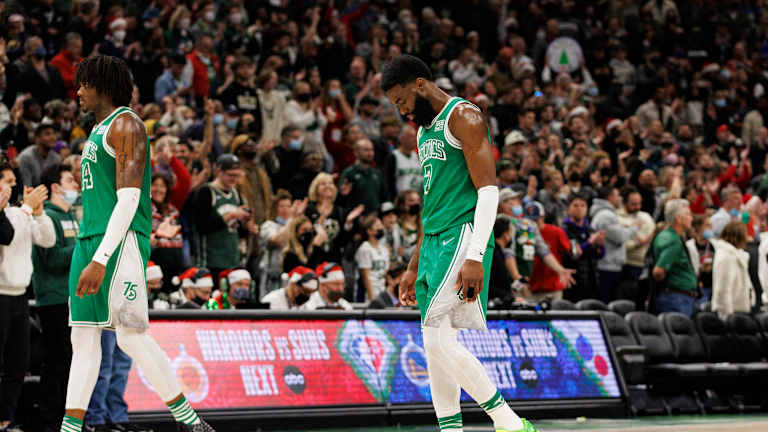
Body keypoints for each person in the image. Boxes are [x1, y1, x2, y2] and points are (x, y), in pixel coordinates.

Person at [382, 55, 539, 432]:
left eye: (402, 100)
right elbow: (432, 202)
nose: (402, 110)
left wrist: (476, 256)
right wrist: (414, 263)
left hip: (462, 235)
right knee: (434, 345)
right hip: (434, 241)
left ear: (420, 84)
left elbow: (488, 191)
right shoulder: (423, 132)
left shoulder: (464, 117)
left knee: (437, 343)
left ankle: (510, 423)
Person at [62, 55, 214, 432]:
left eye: (85, 84)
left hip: (120, 242)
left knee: (131, 336)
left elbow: (129, 199)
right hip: (89, 238)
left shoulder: (126, 123)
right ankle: (70, 428)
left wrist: (101, 259)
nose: (78, 91)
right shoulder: (97, 129)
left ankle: (190, 422)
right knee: (83, 338)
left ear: (104, 86)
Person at [0, 165, 55, 432]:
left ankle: (5, 419)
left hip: (20, 296)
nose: (12, 186)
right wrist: (27, 208)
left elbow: (48, 239)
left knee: (18, 363)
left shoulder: (21, 212)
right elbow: (8, 237)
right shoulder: (10, 214)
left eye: (14, 181)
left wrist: (40, 213)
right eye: (6, 181)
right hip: (0, 295)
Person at [33, 163, 80, 431]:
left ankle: (67, 419)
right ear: (55, 187)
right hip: (53, 298)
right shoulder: (48, 216)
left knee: (70, 362)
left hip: (72, 297)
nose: (76, 186)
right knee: (57, 361)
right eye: (70, 181)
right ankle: (50, 421)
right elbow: (52, 260)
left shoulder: (71, 216)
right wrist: (83, 245)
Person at [188, 154, 250, 281]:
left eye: (236, 175)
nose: (234, 179)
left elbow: (237, 229)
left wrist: (247, 225)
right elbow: (201, 227)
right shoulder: (205, 192)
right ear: (219, 171)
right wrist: (231, 215)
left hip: (232, 260)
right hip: (210, 261)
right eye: (230, 175)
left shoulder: (235, 194)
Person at [590, 186, 640, 303]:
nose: (620, 199)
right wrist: (635, 227)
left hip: (610, 264)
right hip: (607, 266)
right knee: (606, 302)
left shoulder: (607, 213)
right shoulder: (605, 215)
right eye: (618, 195)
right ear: (610, 197)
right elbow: (620, 237)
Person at [651, 199, 697, 317]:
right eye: (688, 214)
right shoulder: (673, 241)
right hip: (676, 298)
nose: (691, 218)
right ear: (678, 218)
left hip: (674, 296)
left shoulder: (665, 235)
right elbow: (658, 271)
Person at [561, 194, 604, 302]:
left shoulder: (590, 229)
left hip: (592, 279)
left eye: (583, 205)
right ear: (569, 209)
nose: (579, 208)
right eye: (575, 205)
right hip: (573, 279)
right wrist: (589, 242)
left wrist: (600, 246)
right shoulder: (564, 230)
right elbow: (572, 255)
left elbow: (600, 255)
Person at [527, 202, 572, 302]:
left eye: (536, 220)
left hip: (552, 286)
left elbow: (570, 253)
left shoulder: (556, 232)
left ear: (543, 217)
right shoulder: (523, 232)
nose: (533, 224)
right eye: (530, 221)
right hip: (530, 287)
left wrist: (562, 270)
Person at [618, 186, 655, 302]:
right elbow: (622, 244)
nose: (638, 207)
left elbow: (653, 234)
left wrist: (637, 238)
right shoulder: (617, 218)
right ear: (624, 202)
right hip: (629, 265)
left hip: (646, 265)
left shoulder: (645, 216)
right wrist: (639, 242)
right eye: (633, 204)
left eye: (639, 203)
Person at [712, 220, 756, 319]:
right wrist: (728, 317)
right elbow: (723, 290)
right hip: (731, 314)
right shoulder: (726, 257)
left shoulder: (736, 255)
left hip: (740, 310)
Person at [338, 138, 388, 213]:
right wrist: (342, 195)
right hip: (355, 216)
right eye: (366, 150)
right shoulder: (349, 173)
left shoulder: (377, 173)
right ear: (356, 152)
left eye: (372, 150)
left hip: (374, 216)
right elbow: (341, 198)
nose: (370, 153)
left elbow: (384, 196)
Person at [356, 215, 391, 302]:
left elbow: (385, 272)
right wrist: (372, 298)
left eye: (381, 225)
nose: (381, 228)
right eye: (377, 225)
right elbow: (365, 276)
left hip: (382, 291)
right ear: (369, 231)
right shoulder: (365, 248)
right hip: (368, 294)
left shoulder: (384, 249)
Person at [686, 215, 716, 304]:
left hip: (711, 287)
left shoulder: (715, 245)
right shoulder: (688, 246)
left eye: (711, 225)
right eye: (707, 225)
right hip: (696, 287)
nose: (711, 228)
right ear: (698, 228)